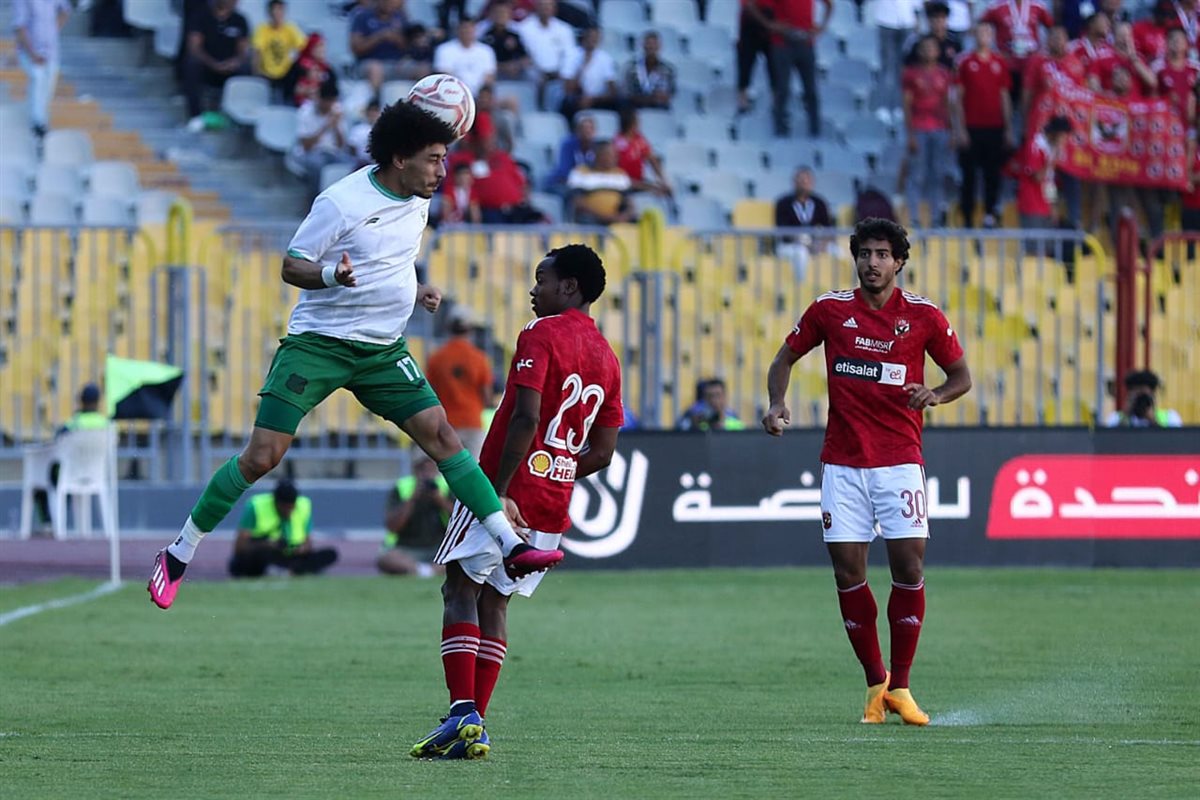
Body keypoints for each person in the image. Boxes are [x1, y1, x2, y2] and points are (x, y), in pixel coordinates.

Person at [148, 100, 562, 611]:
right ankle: (179, 552)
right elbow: (292, 265)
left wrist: (418, 289)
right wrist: (330, 276)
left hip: (382, 350)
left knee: (443, 436)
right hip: (319, 345)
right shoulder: (341, 202)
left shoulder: (419, 198)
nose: (442, 171)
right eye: (433, 159)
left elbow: (393, 259)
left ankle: (510, 544)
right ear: (398, 158)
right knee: (262, 457)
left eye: (444, 158)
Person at [411, 243, 623, 760]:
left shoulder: (541, 333)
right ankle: (473, 721)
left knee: (459, 589)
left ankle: (464, 713)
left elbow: (525, 417)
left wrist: (500, 490)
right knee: (496, 602)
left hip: (504, 488)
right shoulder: (608, 357)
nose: (534, 290)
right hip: (552, 500)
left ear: (569, 287)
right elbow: (603, 451)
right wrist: (560, 468)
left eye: (542, 279)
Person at [762, 217, 971, 727]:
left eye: (882, 254)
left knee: (909, 569)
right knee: (847, 574)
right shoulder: (830, 310)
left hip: (900, 462)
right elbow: (784, 359)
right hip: (843, 464)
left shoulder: (923, 316)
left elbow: (962, 376)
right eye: (865, 253)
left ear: (899, 261)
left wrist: (936, 395)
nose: (872, 263)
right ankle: (876, 685)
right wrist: (775, 404)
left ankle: (902, 684)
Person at [952, 21, 1012, 227]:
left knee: (992, 174)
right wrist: (960, 129)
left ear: (993, 36)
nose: (984, 36)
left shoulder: (1000, 62)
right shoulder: (964, 61)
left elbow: (1004, 96)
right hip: (971, 127)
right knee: (969, 175)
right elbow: (958, 98)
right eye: (980, 32)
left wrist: (1008, 127)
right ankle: (968, 216)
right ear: (974, 35)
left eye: (988, 32)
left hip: (994, 127)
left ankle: (990, 213)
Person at [32, 383, 110, 528]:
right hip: (96, 474)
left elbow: (57, 440)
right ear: (99, 402)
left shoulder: (74, 423)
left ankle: (49, 521)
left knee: (49, 476)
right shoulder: (106, 424)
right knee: (60, 474)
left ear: (81, 400)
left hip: (70, 474)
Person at [228, 479, 339, 577]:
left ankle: (287, 570)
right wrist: (268, 544)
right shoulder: (256, 506)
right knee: (245, 561)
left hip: (290, 556)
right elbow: (240, 547)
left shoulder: (304, 505)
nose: (288, 511)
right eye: (285, 507)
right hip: (266, 554)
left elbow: (308, 543)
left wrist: (301, 549)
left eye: (291, 507)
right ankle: (296, 570)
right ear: (276, 501)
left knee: (330, 554)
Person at [426, 304, 494, 457]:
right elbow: (487, 397)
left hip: (445, 423)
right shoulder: (479, 358)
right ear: (470, 329)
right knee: (473, 471)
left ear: (448, 327)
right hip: (472, 422)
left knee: (447, 471)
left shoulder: (436, 358)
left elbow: (430, 392)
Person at [902, 35, 952, 227]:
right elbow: (907, 105)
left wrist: (951, 129)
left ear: (938, 51)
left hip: (940, 129)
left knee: (937, 174)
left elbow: (948, 103)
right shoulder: (911, 74)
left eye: (932, 48)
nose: (928, 51)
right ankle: (914, 217)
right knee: (917, 175)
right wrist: (911, 134)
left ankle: (936, 217)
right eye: (924, 48)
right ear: (919, 51)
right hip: (920, 128)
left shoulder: (944, 74)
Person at [764, 0, 833, 138]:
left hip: (805, 43)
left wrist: (822, 27)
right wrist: (769, 24)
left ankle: (815, 131)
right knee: (782, 89)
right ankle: (779, 131)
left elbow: (829, 5)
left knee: (811, 90)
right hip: (782, 44)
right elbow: (754, 5)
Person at [378, 455, 453, 576]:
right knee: (386, 559)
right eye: (422, 469)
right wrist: (412, 499)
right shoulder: (402, 487)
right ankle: (423, 570)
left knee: (463, 558)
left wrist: (440, 500)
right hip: (407, 548)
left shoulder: (447, 486)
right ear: (415, 470)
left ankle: (425, 570)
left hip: (440, 547)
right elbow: (392, 526)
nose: (426, 474)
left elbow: (460, 520)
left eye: (430, 468)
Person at [181, 0, 251, 128]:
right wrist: (213, 64)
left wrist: (234, 62)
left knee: (246, 68)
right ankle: (195, 116)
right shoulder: (201, 16)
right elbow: (194, 47)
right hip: (207, 66)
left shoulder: (240, 20)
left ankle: (238, 117)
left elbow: (243, 51)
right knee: (191, 64)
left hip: (229, 69)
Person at [12, 0, 69, 139]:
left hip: (51, 51)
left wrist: (54, 29)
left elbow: (65, 10)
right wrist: (33, 54)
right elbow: (19, 27)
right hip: (30, 51)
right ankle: (37, 125)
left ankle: (41, 124)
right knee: (37, 78)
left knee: (47, 88)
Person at [290, 79, 354, 194]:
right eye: (327, 101)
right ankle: (315, 200)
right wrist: (326, 126)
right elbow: (306, 146)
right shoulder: (306, 111)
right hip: (310, 153)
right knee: (317, 165)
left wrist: (336, 127)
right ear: (320, 99)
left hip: (333, 152)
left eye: (332, 101)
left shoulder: (337, 110)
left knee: (350, 164)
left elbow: (341, 145)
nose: (329, 105)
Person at [1017, 115, 1071, 251]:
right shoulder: (1035, 145)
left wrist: (1053, 206)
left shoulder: (1050, 148)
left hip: (1046, 207)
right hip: (1031, 206)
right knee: (1034, 251)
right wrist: (1052, 159)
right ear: (1055, 134)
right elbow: (1037, 177)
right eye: (1063, 136)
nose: (1065, 141)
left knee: (1049, 250)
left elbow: (1049, 180)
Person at [350, 0, 419, 91]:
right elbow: (356, 48)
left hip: (397, 63)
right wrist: (379, 37)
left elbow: (410, 46)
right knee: (375, 69)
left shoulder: (400, 17)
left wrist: (397, 39)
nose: (389, 4)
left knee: (422, 69)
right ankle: (376, 102)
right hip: (370, 62)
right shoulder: (363, 17)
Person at [566, 140, 635, 225]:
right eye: (610, 154)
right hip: (591, 218)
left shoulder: (620, 174)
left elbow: (629, 202)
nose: (615, 157)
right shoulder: (580, 172)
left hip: (617, 218)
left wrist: (624, 216)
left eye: (615, 154)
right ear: (598, 155)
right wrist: (604, 217)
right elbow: (577, 202)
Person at [560, 26, 620, 119]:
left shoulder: (605, 58)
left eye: (596, 37)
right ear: (584, 37)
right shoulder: (571, 55)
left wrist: (593, 99)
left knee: (621, 102)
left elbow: (612, 90)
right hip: (577, 98)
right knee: (568, 102)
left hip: (597, 99)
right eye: (590, 37)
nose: (593, 40)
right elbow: (568, 89)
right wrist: (583, 66)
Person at [252, 0, 307, 99]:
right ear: (269, 12)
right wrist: (256, 73)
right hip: (266, 73)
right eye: (274, 10)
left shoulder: (291, 28)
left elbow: (304, 48)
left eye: (280, 10)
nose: (276, 13)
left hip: (286, 73)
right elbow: (257, 52)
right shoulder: (262, 29)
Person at [613, 108, 671, 196]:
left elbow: (652, 161)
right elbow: (618, 174)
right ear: (631, 123)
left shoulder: (639, 139)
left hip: (639, 181)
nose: (640, 123)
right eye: (637, 120)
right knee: (655, 189)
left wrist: (663, 181)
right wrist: (651, 187)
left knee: (664, 191)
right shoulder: (618, 142)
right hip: (622, 184)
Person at [433, 18, 498, 96]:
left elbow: (489, 76)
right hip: (454, 93)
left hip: (480, 95)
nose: (466, 31)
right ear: (457, 30)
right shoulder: (444, 49)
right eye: (464, 28)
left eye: (469, 28)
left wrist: (481, 94)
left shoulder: (486, 50)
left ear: (475, 30)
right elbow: (444, 76)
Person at [1104, 370, 1184, 427]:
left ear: (1153, 396)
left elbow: (1174, 443)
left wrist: (1153, 421)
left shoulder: (1170, 418)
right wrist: (1125, 416)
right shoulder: (1115, 418)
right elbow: (1112, 443)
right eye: (1136, 396)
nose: (1140, 400)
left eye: (1143, 396)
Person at [624, 31, 677, 111]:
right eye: (648, 43)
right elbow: (628, 93)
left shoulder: (668, 70)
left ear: (659, 46)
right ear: (643, 45)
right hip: (635, 107)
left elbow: (670, 93)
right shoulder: (632, 67)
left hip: (659, 107)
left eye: (654, 44)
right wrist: (650, 98)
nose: (651, 47)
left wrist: (660, 97)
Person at [480, 0, 531, 81]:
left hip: (514, 72)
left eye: (503, 13)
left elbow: (526, 58)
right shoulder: (485, 34)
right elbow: (481, 59)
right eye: (497, 13)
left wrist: (517, 65)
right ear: (491, 15)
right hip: (494, 72)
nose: (500, 16)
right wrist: (503, 67)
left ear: (509, 15)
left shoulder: (516, 33)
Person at [903, 1, 962, 70]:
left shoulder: (954, 43)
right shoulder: (918, 43)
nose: (938, 21)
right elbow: (908, 67)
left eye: (942, 17)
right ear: (929, 20)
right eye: (935, 17)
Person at [676, 378, 745, 431]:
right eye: (709, 396)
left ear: (725, 397)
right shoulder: (696, 423)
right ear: (704, 399)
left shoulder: (735, 424)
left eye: (718, 395)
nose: (714, 400)